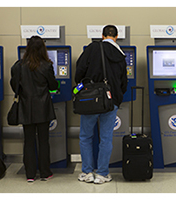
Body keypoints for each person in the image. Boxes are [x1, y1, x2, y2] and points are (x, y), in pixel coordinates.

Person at [75, 25, 127, 184]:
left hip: (90, 100)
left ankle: (87, 172)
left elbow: (79, 71)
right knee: (106, 139)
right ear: (116, 36)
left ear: (103, 36)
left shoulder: (92, 48)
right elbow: (123, 82)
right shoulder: (120, 54)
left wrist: (83, 86)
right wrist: (116, 97)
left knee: (85, 136)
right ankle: (103, 173)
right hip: (111, 101)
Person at [10, 36, 58, 182]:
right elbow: (53, 86)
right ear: (43, 48)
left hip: (25, 107)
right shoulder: (47, 65)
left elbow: (14, 86)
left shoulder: (19, 65)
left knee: (28, 141)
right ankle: (45, 173)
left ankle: (30, 174)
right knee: (43, 141)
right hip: (43, 107)